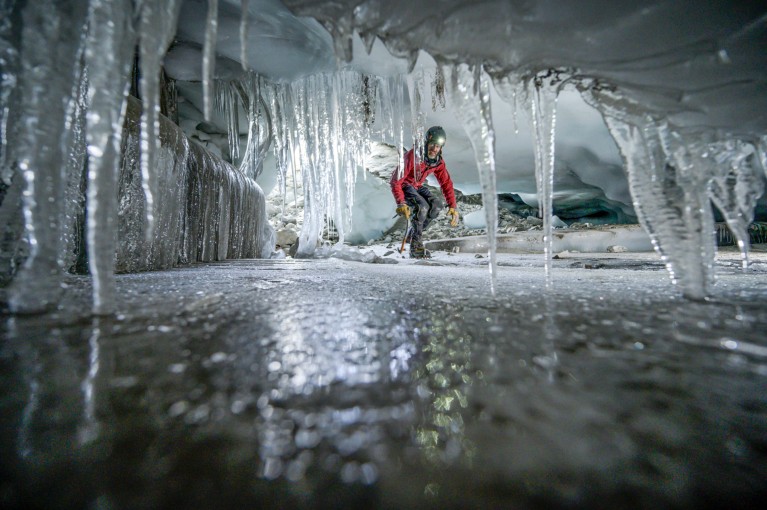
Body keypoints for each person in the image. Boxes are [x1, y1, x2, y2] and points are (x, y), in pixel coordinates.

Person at [390, 126, 459, 258]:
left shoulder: (438, 162)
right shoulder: (413, 156)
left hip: (416, 185)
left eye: (438, 146)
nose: (434, 149)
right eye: (432, 145)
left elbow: (446, 183)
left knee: (437, 206)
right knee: (422, 207)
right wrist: (401, 203)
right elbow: (395, 180)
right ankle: (416, 247)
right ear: (426, 143)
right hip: (405, 185)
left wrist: (452, 206)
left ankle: (413, 234)